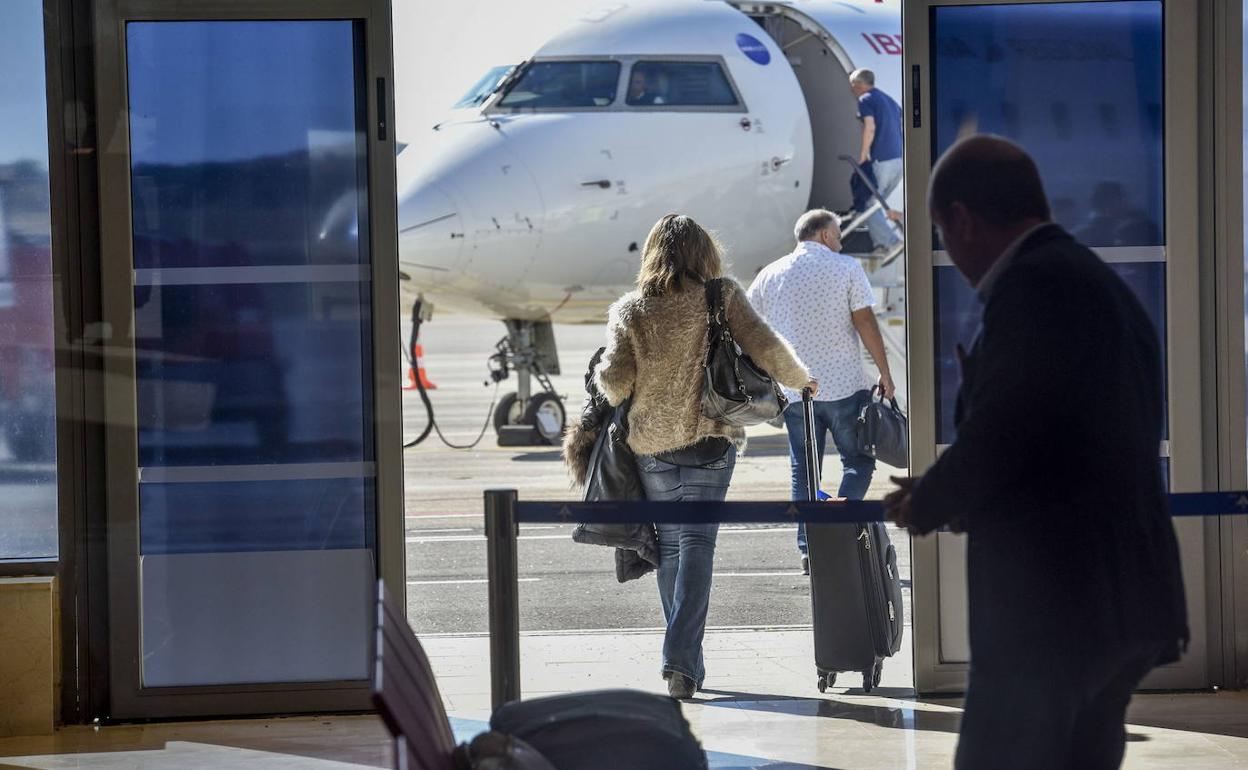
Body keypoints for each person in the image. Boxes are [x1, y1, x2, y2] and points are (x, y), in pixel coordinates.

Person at [883, 135, 1188, 770]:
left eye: (942, 232)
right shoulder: (1091, 280)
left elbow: (1007, 430)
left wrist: (930, 499)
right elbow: (1059, 435)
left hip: (1055, 604)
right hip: (1117, 598)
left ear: (963, 219)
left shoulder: (1034, 288)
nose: (949, 251)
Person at [596, 214, 816, 699]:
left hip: (651, 447)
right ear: (704, 253)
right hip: (711, 441)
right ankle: (680, 661)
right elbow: (765, 346)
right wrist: (801, 379)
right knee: (696, 545)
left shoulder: (631, 310)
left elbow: (614, 382)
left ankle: (682, 662)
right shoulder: (722, 295)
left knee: (671, 547)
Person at [747, 209, 896, 575]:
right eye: (839, 233)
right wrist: (885, 372)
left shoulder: (771, 274)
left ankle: (809, 549)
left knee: (804, 471)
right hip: (845, 386)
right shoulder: (846, 267)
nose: (842, 240)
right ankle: (839, 524)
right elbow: (864, 321)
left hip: (796, 391)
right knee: (859, 462)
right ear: (826, 235)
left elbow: (750, 325)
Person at [849, 68, 904, 256]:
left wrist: (863, 156)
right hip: (898, 162)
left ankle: (890, 242)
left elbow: (870, 127)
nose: (852, 90)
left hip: (882, 161)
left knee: (869, 204)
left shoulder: (865, 99)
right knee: (876, 204)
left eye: (852, 86)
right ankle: (880, 245)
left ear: (858, 85)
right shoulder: (889, 100)